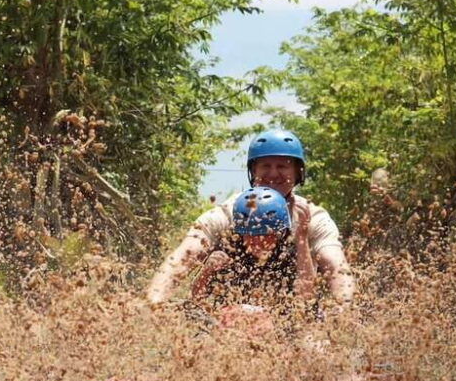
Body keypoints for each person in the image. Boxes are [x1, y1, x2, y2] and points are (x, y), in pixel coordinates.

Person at [146, 129, 354, 307]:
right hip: (227, 318)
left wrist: (345, 307)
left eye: (282, 166)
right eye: (265, 166)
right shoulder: (226, 213)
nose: (273, 174)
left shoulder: (314, 218)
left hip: (291, 317)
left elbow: (336, 266)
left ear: (298, 172)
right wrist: (155, 301)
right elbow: (184, 256)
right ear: (253, 171)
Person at [190, 186, 315, 309]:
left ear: (279, 232)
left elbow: (307, 298)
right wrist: (206, 272)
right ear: (241, 233)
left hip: (276, 323)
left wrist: (302, 238)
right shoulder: (230, 250)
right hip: (230, 321)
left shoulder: (288, 251)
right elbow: (195, 299)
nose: (258, 241)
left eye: (266, 235)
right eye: (251, 235)